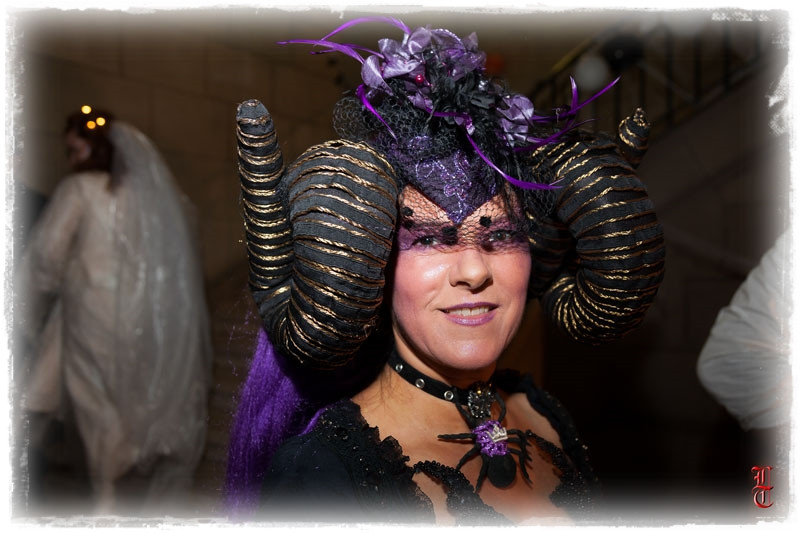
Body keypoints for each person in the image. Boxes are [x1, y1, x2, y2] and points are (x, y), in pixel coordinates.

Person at [226, 18, 665, 525]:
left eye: (502, 236)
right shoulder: (323, 475)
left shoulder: (542, 412)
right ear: (376, 267)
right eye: (430, 239)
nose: (474, 271)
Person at [16, 106, 213, 514]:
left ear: (92, 149)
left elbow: (48, 254)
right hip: (136, 314)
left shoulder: (78, 189)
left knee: (93, 398)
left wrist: (35, 295)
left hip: (87, 311)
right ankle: (111, 471)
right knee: (117, 394)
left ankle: (104, 487)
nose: (70, 159)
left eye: (74, 150)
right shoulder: (145, 196)